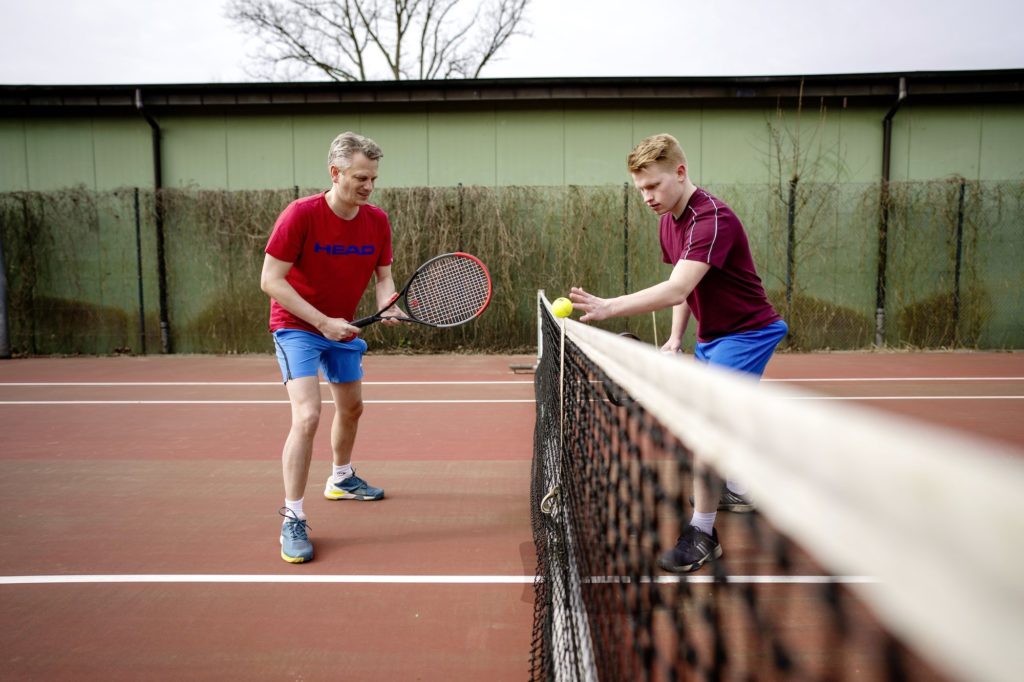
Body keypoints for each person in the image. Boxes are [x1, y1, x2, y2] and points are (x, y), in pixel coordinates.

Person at [569, 133, 787, 574]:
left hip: (748, 333)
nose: (647, 197)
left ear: (680, 173)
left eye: (653, 186)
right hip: (713, 335)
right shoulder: (669, 220)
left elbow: (677, 286)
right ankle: (738, 487)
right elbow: (686, 292)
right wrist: (674, 340)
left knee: (705, 424)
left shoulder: (712, 219)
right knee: (715, 417)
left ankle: (703, 532)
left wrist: (611, 306)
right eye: (640, 190)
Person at [260, 131, 402, 564]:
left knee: (353, 408)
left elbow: (384, 279)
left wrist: (388, 306)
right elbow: (270, 280)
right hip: (297, 327)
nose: (369, 186)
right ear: (335, 172)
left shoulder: (376, 220)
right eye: (361, 177)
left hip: (344, 328)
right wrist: (322, 322)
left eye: (373, 178)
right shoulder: (300, 215)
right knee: (308, 415)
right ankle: (293, 516)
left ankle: (341, 478)